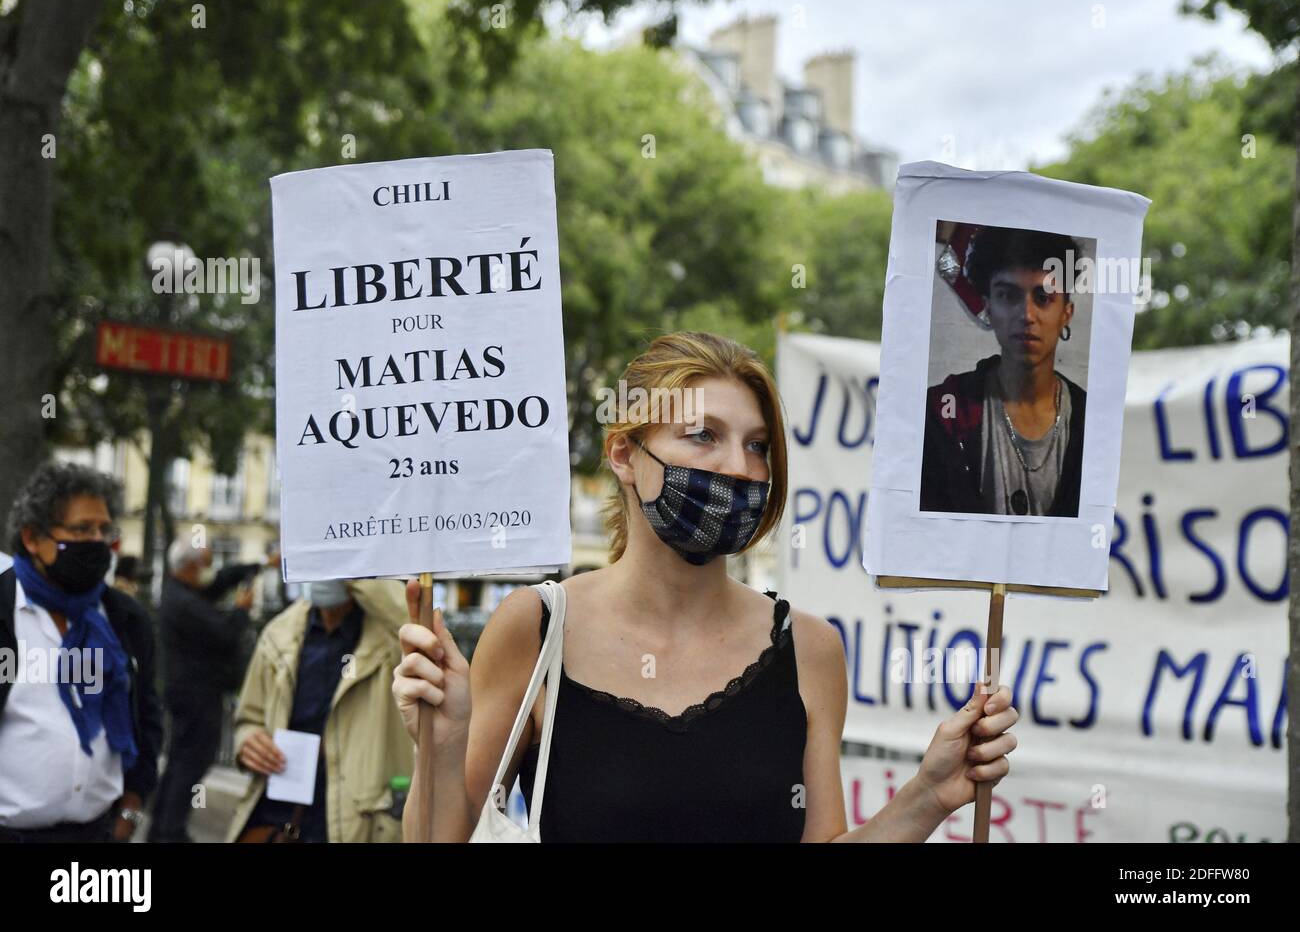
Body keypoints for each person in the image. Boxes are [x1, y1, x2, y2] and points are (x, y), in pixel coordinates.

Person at [393, 331, 1019, 842]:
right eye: (704, 436)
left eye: (757, 446)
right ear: (623, 455)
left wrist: (928, 795)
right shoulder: (535, 627)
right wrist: (441, 743)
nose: (739, 468)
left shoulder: (809, 648)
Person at [0, 461, 162, 842]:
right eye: (81, 529)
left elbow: (148, 720)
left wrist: (130, 814)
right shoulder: (4, 610)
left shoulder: (125, 619)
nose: (96, 541)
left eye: (104, 530)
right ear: (32, 538)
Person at [226, 578, 412, 843]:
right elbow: (248, 718)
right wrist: (248, 742)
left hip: (354, 822)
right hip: (279, 817)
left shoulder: (390, 635)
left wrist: (360, 573)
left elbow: (417, 626)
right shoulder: (279, 633)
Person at [921, 226, 1088, 517]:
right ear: (989, 307)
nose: (1026, 315)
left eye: (1043, 298)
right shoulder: (942, 412)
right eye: (1008, 296)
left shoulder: (1092, 420)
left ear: (1066, 313)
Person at [147, 540, 273, 842]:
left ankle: (161, 828)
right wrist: (241, 611)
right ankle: (170, 830)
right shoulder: (184, 602)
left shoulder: (182, 592)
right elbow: (225, 633)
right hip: (197, 694)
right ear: (190, 567)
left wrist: (258, 565)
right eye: (205, 564)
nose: (209, 571)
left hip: (189, 691)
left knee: (180, 760)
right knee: (191, 763)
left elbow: (220, 581)